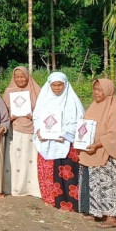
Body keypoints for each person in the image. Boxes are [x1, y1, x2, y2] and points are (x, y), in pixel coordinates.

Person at [32, 72, 84, 212]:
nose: (56, 88)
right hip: (46, 141)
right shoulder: (44, 99)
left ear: (65, 84)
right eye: (53, 85)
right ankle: (50, 198)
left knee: (66, 173)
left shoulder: (72, 101)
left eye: (59, 85)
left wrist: (63, 133)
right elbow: (37, 118)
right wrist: (39, 131)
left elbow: (79, 121)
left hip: (65, 142)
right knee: (48, 171)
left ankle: (68, 202)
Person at [78, 79, 116, 228]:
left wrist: (98, 144)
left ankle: (112, 217)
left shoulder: (114, 109)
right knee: (94, 183)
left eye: (100, 90)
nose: (96, 93)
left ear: (108, 91)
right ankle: (96, 212)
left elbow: (115, 133)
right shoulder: (93, 107)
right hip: (91, 151)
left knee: (108, 185)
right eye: (95, 89)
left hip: (106, 154)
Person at [1, 66, 41, 198]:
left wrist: (33, 115)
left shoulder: (36, 91)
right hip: (14, 131)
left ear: (27, 76)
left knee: (29, 159)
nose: (19, 79)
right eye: (17, 77)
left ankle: (30, 188)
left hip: (30, 130)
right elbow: (2, 112)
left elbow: (44, 111)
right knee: (14, 159)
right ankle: (13, 187)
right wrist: (9, 117)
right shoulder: (9, 91)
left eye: (22, 76)